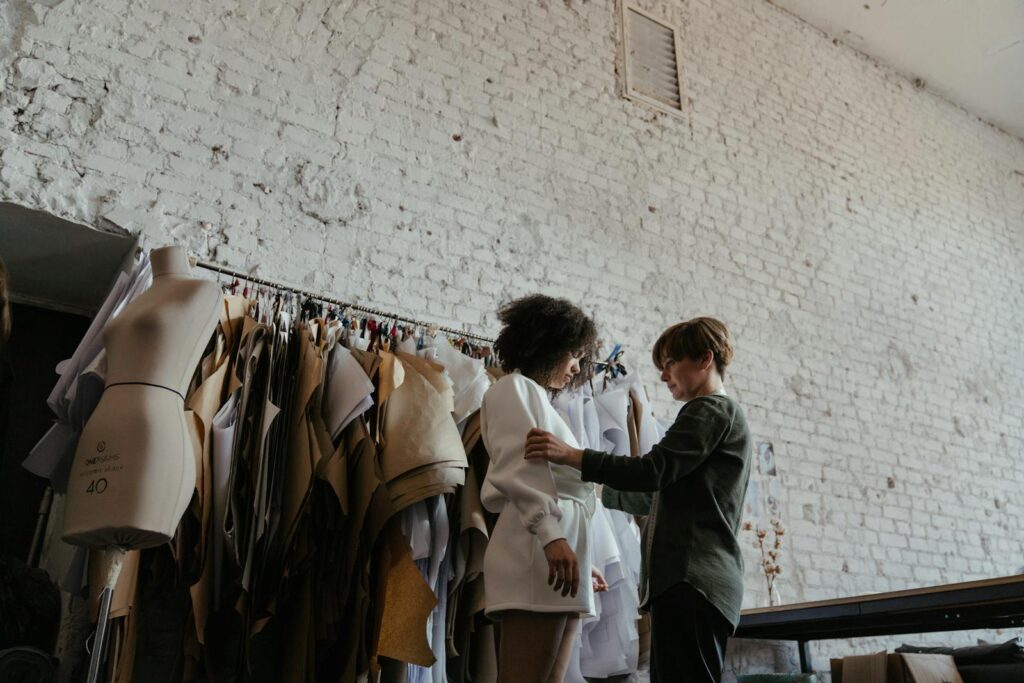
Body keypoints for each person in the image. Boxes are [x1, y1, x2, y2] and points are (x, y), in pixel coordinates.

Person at [525, 317, 752, 683]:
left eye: (670, 364)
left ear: (705, 358)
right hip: (693, 583)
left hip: (692, 581)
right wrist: (597, 492)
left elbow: (652, 471)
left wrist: (574, 456)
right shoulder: (716, 415)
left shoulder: (709, 411)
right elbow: (654, 496)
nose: (663, 376)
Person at [480, 294, 607, 683]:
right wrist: (553, 537)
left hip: (556, 554)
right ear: (550, 345)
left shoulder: (541, 402)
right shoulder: (512, 389)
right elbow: (519, 469)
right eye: (574, 354)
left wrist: (583, 557)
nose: (576, 367)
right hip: (536, 551)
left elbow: (558, 483)